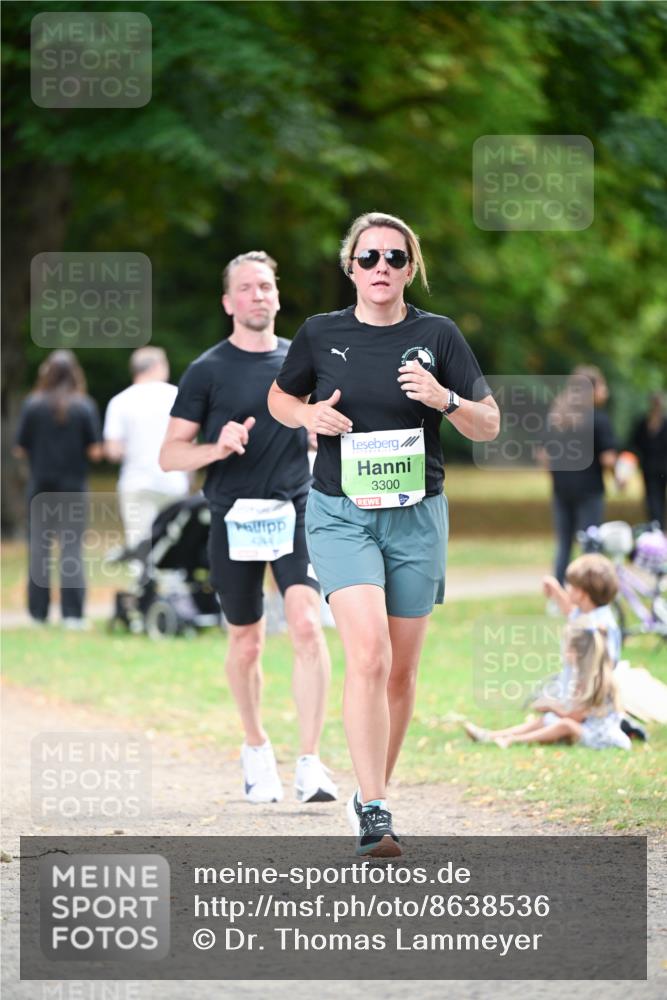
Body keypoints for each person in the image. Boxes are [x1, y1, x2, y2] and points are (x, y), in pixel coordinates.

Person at [268, 211, 499, 856]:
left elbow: (489, 423)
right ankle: (375, 810)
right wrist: (309, 413)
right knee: (368, 655)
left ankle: (372, 793)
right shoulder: (320, 333)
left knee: (400, 672)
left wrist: (442, 399)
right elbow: (278, 400)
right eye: (368, 258)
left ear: (411, 267)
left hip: (417, 514)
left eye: (395, 258)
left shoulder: (440, 335)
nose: (381, 269)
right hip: (341, 511)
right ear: (351, 267)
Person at [159, 251, 336, 806]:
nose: (258, 295)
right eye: (246, 288)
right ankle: (257, 749)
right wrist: (220, 445)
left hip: (296, 509)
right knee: (247, 641)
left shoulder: (300, 364)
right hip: (233, 516)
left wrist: (317, 431)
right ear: (228, 302)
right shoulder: (206, 370)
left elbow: (321, 424)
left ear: (277, 296)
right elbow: (169, 457)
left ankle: (310, 761)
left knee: (307, 625)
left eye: (266, 286)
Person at [13, 350, 103, 627]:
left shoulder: (32, 405)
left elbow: (19, 448)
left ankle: (38, 614)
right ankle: (72, 615)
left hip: (40, 487)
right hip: (73, 488)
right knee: (71, 550)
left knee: (39, 550)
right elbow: (96, 451)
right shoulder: (84, 406)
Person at [464, 622, 630, 751]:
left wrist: (550, 706)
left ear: (579, 653)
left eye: (568, 649)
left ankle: (511, 740)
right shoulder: (582, 676)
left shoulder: (596, 681)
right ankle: (491, 735)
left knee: (565, 724)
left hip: (601, 736)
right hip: (588, 728)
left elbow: (574, 717)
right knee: (547, 720)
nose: (564, 653)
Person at [103, 347, 190, 549]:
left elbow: (113, 450)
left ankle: (142, 578)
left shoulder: (120, 401)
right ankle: (171, 579)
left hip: (136, 481)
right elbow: (189, 441)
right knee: (173, 541)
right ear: (157, 367)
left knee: (139, 541)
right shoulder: (176, 395)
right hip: (172, 480)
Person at [541, 366, 618, 584]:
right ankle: (587, 592)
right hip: (590, 490)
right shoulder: (598, 420)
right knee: (590, 545)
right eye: (602, 386)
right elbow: (608, 459)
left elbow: (544, 454)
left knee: (564, 543)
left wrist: (557, 479)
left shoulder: (556, 418)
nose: (606, 391)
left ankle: (559, 592)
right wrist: (617, 478)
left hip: (561, 490)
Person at [630, 392, 667, 529]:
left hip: (663, 466)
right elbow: (634, 444)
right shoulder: (642, 423)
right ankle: (656, 525)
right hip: (649, 467)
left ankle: (659, 525)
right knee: (652, 498)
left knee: (659, 498)